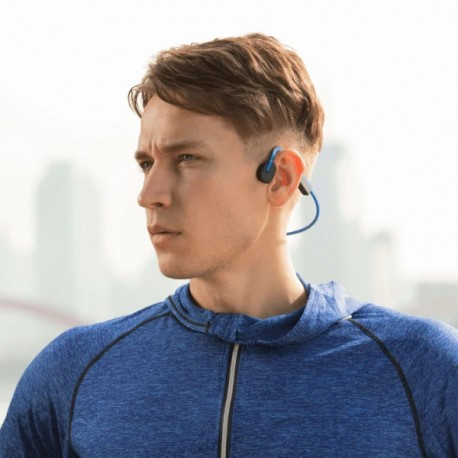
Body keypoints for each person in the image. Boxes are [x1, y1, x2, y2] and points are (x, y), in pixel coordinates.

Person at [0, 32, 456, 457]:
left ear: (280, 177)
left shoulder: (425, 369)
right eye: (146, 164)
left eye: (187, 158)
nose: (149, 194)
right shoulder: (71, 371)